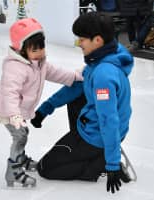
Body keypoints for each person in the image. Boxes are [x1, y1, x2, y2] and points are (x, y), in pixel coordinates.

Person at [31, 12, 133, 194]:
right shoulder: (105, 56)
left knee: (46, 168)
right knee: (78, 93)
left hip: (100, 135)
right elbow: (76, 87)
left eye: (82, 39)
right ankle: (95, 153)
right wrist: (46, 109)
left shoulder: (103, 75)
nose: (78, 44)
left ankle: (99, 163)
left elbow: (109, 120)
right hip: (101, 126)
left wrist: (111, 164)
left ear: (98, 40)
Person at [0, 18, 82, 187]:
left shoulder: (39, 63)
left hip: (18, 111)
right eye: (35, 49)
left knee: (22, 135)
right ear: (22, 49)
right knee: (20, 136)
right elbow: (10, 92)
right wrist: (14, 115)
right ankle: (14, 169)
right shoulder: (15, 67)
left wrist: (75, 76)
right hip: (8, 111)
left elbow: (56, 73)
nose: (40, 52)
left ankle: (21, 159)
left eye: (42, 47)